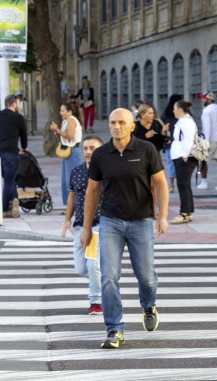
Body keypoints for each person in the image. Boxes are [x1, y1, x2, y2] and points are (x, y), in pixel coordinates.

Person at [79, 108, 169, 350]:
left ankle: (148, 305)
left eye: (121, 122)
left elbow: (161, 182)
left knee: (147, 277)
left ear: (131, 126)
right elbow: (92, 192)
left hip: (141, 221)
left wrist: (163, 216)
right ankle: (114, 329)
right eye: (112, 122)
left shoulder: (146, 150)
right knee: (108, 276)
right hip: (110, 222)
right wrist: (86, 228)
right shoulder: (100, 155)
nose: (116, 126)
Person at [62, 135, 105, 315]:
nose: (88, 152)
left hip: (98, 224)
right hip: (80, 225)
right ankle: (105, 278)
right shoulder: (76, 171)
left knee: (92, 264)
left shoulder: (106, 172)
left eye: (92, 148)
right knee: (81, 268)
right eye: (85, 148)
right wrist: (67, 219)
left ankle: (96, 301)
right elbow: (72, 196)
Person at [0, 93, 28, 218]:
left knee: (7, 179)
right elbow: (24, 136)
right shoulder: (19, 118)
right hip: (11, 153)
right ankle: (4, 208)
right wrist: (24, 147)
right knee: (8, 181)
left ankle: (14, 199)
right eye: (18, 103)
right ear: (13, 104)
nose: (19, 105)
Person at [169, 100, 199, 224]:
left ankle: (184, 213)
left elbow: (188, 139)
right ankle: (188, 212)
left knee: (183, 185)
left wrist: (185, 155)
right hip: (180, 156)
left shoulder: (186, 122)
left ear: (180, 109)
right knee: (185, 185)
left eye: (174, 108)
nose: (173, 111)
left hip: (185, 157)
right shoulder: (182, 121)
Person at [49, 100, 84, 208]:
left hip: (73, 152)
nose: (60, 113)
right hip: (67, 151)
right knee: (66, 181)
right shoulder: (65, 121)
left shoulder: (71, 120)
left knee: (73, 180)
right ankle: (69, 206)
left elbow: (69, 136)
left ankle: (75, 206)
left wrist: (57, 130)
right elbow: (63, 137)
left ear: (69, 111)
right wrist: (56, 131)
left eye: (62, 110)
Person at [198, 92, 217, 191]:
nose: (202, 100)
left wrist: (206, 142)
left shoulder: (207, 111)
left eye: (204, 98)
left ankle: (204, 182)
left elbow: (207, 127)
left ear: (209, 99)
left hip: (210, 139)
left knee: (203, 160)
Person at [161, 94, 182, 193]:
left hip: (169, 142)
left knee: (170, 164)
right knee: (180, 164)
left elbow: (161, 126)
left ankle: (172, 186)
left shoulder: (166, 113)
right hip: (181, 142)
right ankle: (181, 184)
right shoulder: (184, 112)